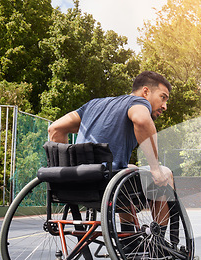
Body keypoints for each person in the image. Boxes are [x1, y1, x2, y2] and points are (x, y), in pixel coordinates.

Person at [48, 70, 173, 226]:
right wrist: (155, 168)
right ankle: (159, 242)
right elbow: (141, 120)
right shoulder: (139, 102)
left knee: (128, 169)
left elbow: (55, 129)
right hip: (107, 185)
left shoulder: (93, 105)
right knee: (165, 174)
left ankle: (129, 239)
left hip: (77, 184)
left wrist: (68, 173)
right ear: (146, 91)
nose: (165, 106)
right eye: (163, 97)